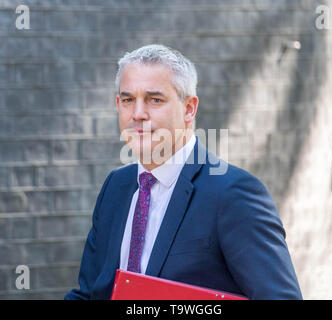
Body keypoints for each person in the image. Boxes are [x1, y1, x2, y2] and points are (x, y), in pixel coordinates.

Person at [65, 44, 302, 300]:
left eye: (155, 100)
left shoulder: (233, 194)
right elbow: (89, 293)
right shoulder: (115, 187)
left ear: (189, 108)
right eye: (127, 100)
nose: (138, 113)